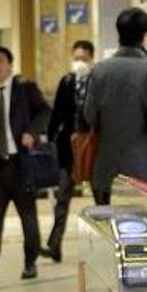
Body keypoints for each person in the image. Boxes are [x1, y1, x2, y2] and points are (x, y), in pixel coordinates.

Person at [0, 45, 50, 285]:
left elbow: (44, 112)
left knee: (28, 218)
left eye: (0, 60)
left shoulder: (25, 89)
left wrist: (32, 133)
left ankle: (30, 262)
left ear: (10, 64)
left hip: (20, 163)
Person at [80, 8, 147, 204]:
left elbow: (89, 115)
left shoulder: (100, 70)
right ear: (144, 36)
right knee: (141, 229)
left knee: (109, 229)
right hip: (143, 170)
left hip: (106, 168)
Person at [42, 37, 94, 263]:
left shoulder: (98, 81)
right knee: (62, 198)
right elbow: (57, 113)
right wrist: (51, 136)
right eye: (76, 59)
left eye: (83, 58)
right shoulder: (67, 81)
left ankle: (109, 244)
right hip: (68, 151)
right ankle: (54, 245)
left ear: (91, 59)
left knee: (102, 198)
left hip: (93, 148)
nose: (79, 62)